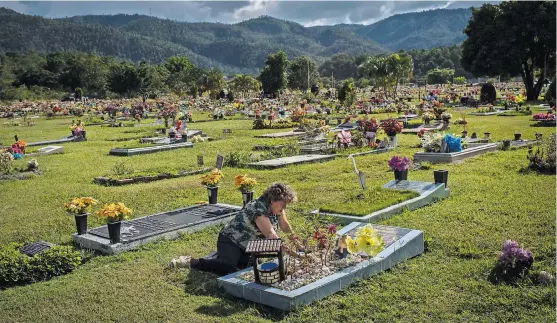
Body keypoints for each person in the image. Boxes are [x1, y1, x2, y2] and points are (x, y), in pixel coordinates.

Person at [168, 183, 298, 275]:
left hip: (249, 246)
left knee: (245, 269)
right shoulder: (258, 209)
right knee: (228, 266)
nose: (285, 208)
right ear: (272, 200)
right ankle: (192, 261)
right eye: (283, 204)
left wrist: (296, 240)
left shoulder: (277, 208)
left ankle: (217, 256)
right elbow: (271, 236)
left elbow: (284, 225)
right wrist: (296, 255)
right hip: (230, 241)